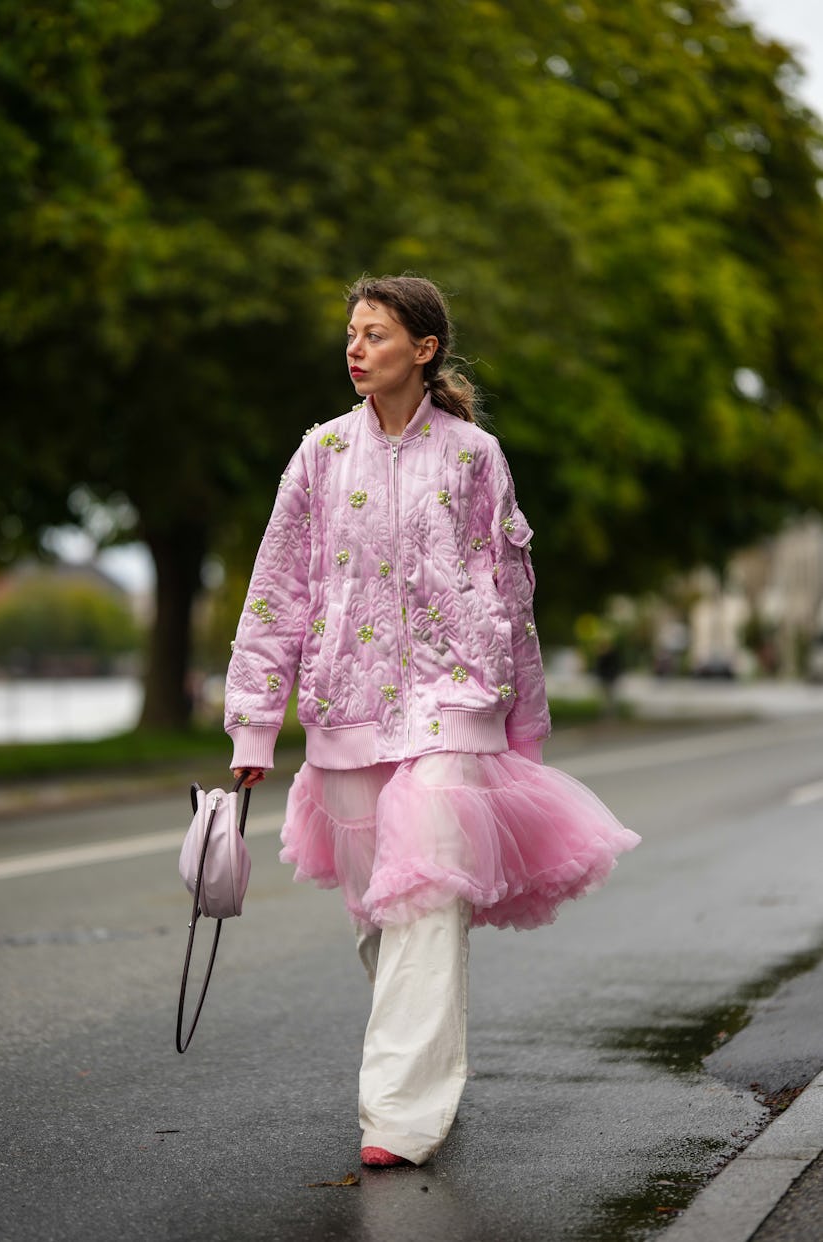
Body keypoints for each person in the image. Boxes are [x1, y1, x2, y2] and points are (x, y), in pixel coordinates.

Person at [226, 274, 640, 1169]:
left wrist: (522, 720)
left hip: (455, 703)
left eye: (375, 334)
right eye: (351, 333)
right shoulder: (320, 455)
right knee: (380, 911)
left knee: (428, 890)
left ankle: (401, 1115)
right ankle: (424, 1058)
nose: (355, 347)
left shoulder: (475, 456)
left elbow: (512, 592)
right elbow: (277, 592)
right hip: (347, 709)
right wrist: (254, 725)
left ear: (422, 350)